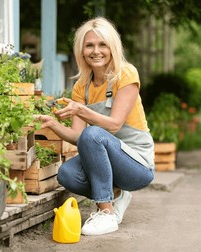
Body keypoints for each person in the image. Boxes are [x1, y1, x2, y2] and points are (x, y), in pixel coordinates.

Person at [35, 17, 155, 236]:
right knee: (67, 174)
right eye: (89, 45)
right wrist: (52, 124)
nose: (96, 51)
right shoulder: (82, 86)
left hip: (138, 165)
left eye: (102, 45)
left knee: (94, 134)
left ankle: (106, 212)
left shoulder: (125, 74)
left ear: (112, 48)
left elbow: (114, 125)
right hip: (106, 156)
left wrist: (81, 110)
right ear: (81, 50)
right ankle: (117, 193)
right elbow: (78, 137)